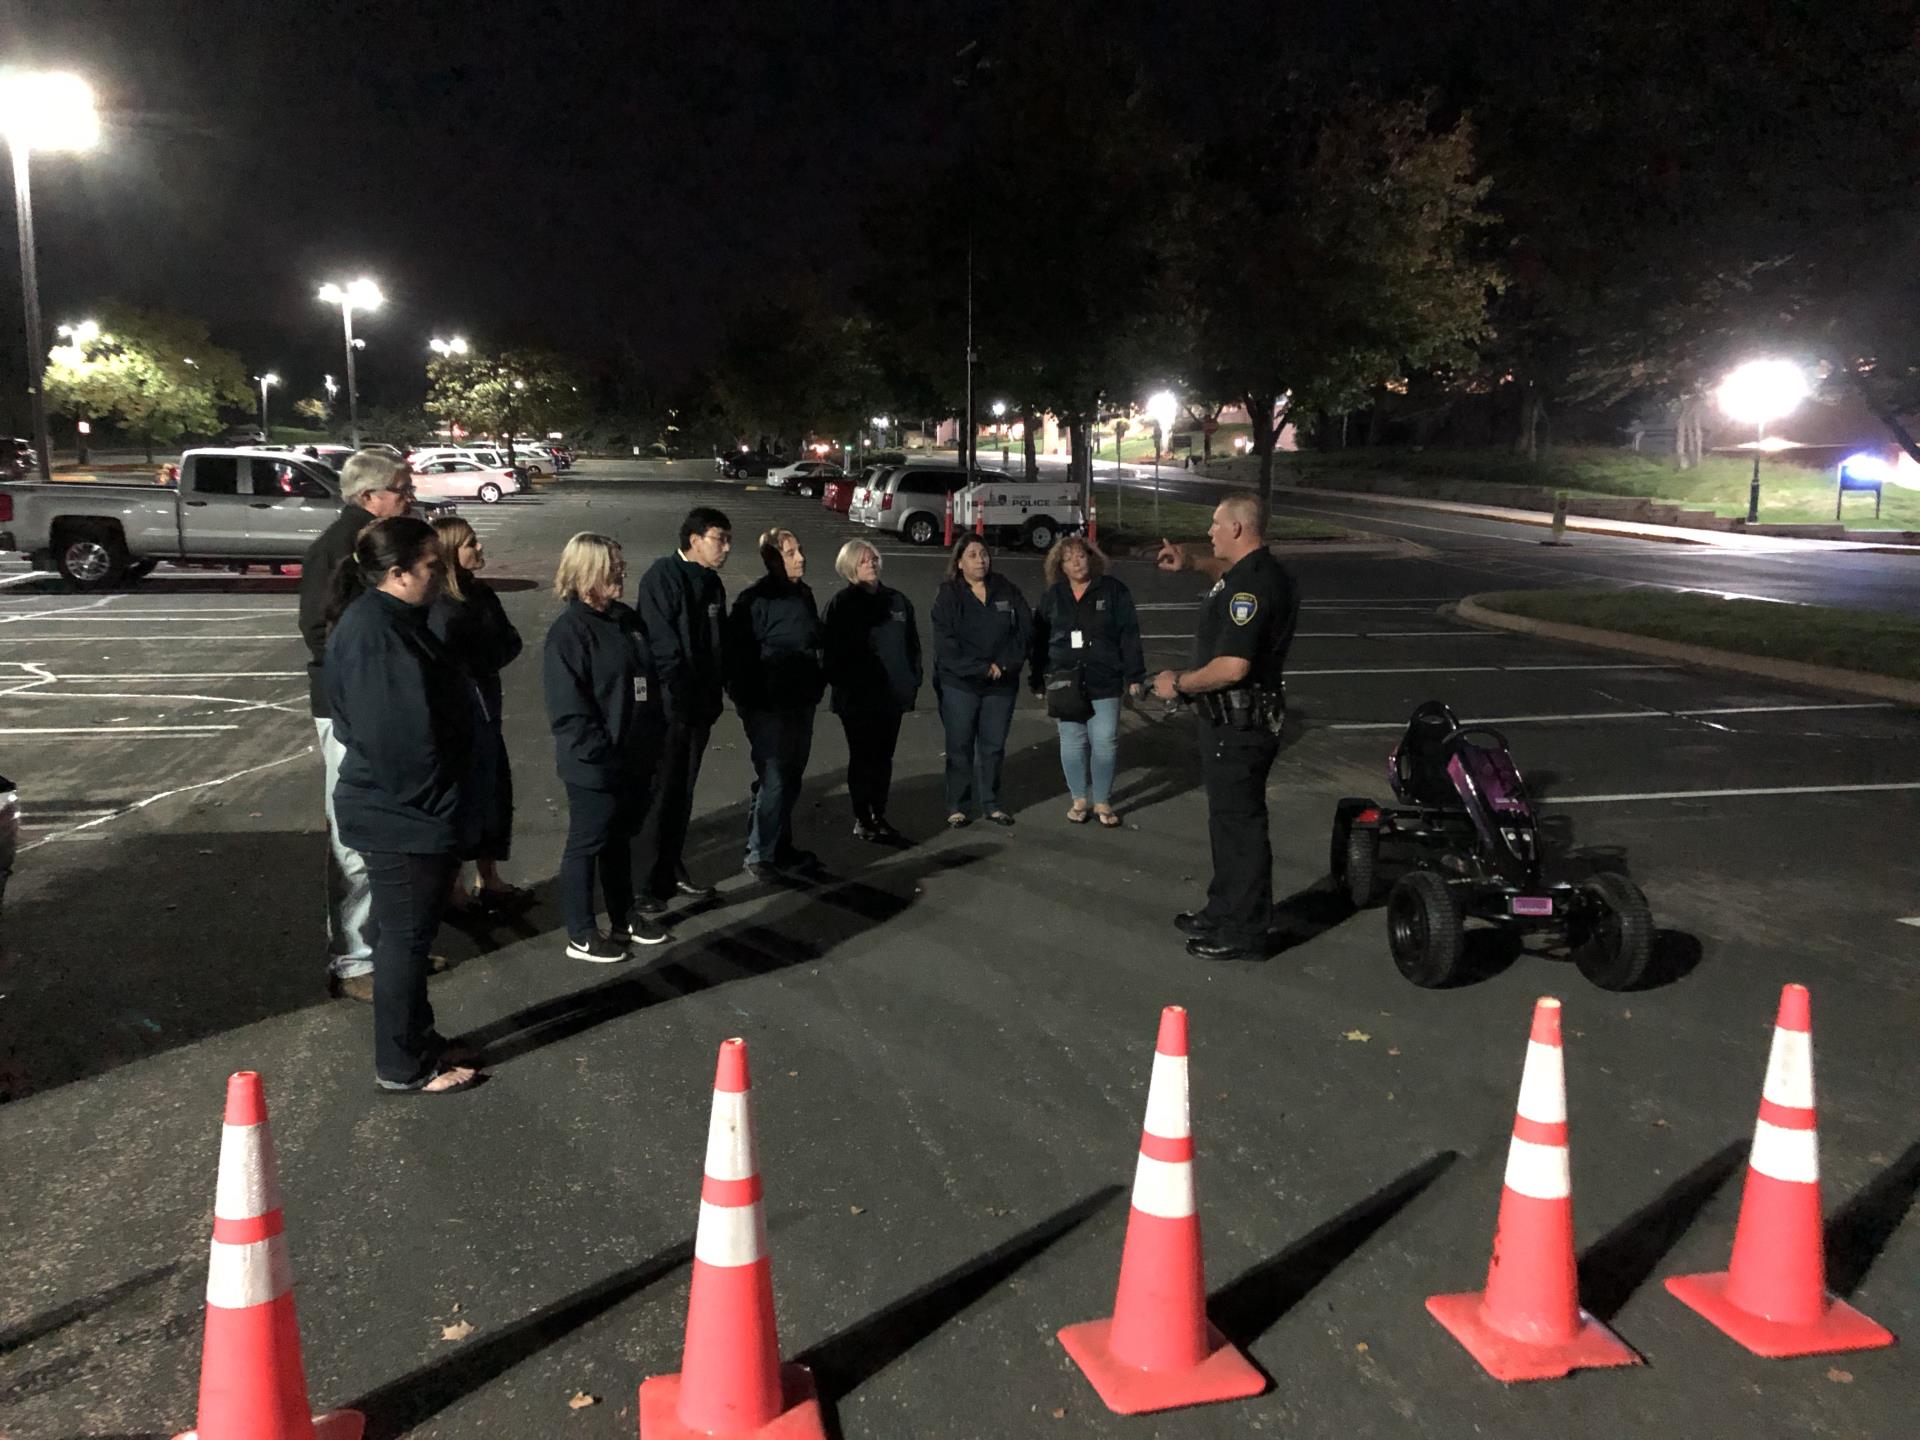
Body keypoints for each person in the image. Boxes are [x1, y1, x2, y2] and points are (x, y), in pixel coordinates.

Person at [324, 515, 482, 1093]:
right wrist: (439, 801)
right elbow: (398, 742)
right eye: (432, 567)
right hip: (404, 816)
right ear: (397, 573)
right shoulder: (375, 634)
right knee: (403, 945)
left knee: (406, 939)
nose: (442, 576)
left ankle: (418, 1040)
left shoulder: (393, 619)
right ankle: (402, 1065)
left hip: (411, 811)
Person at [1151, 496, 1300, 962]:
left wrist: (1178, 683)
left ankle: (1246, 929)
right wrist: (1192, 561)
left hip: (1240, 722)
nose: (1210, 532)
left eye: (1216, 525)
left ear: (1238, 528)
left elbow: (1233, 666)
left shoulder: (1251, 589)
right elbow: (1221, 573)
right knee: (1226, 822)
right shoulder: (1248, 574)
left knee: (1240, 827)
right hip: (1229, 722)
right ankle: (1224, 909)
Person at [298, 450, 416, 1002]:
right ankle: (353, 960)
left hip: (375, 709)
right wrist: (367, 688)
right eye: (399, 486)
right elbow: (320, 633)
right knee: (354, 838)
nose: (409, 493)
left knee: (387, 833)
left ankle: (384, 948)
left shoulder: (381, 541)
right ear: (368, 497)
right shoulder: (336, 550)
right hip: (347, 712)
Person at [544, 533, 673, 961]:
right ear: (586, 573)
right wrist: (603, 756)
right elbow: (569, 711)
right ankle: (581, 933)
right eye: (613, 566)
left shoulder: (625, 620)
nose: (622, 571)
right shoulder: (569, 632)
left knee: (619, 841)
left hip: (635, 759)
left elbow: (647, 683)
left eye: (620, 563)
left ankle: (623, 916)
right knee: (587, 844)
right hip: (596, 765)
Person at [635, 506, 732, 910]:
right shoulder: (662, 577)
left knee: (683, 794)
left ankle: (672, 870)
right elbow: (662, 644)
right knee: (659, 794)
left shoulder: (712, 583)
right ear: (693, 539)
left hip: (700, 708)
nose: (725, 548)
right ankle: (642, 884)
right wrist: (676, 695)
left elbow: (718, 643)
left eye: (728, 540)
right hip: (671, 707)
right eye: (718, 539)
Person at [428, 517, 523, 911]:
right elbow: (445, 657)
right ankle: (454, 888)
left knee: (493, 789)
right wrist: (480, 659)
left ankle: (489, 875)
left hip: (486, 701)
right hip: (459, 709)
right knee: (462, 795)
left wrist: (484, 659)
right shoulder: (440, 603)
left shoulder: (481, 594)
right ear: (452, 551)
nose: (479, 549)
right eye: (470, 544)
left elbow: (511, 641)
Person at [726, 528, 826, 880]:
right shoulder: (754, 601)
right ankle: (759, 854)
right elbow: (736, 659)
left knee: (791, 777)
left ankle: (778, 845)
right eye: (790, 553)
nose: (800, 558)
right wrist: (750, 701)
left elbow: (813, 640)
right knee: (775, 777)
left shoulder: (804, 594)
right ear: (772, 559)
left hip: (802, 700)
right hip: (768, 705)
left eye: (799, 550)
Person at [1029, 536, 1145, 828]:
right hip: (1065, 680)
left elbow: (1129, 634)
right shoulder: (1053, 596)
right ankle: (1079, 798)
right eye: (1068, 559)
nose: (1076, 563)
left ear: (1091, 558)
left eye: (1080, 556)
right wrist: (1037, 679)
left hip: (1104, 678)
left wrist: (1134, 675)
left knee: (1105, 741)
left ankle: (1103, 801)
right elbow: (1039, 640)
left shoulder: (1114, 591)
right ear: (1060, 566)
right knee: (1072, 742)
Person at [822, 539, 920, 843]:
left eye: (874, 558)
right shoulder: (842, 604)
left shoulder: (898, 601)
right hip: (858, 699)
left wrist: (911, 681)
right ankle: (862, 817)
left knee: (883, 758)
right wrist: (846, 684)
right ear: (850, 566)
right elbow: (829, 653)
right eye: (864, 561)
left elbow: (912, 646)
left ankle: (879, 813)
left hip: (891, 697)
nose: (872, 564)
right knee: (862, 757)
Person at [930, 534, 1031, 828]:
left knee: (993, 746)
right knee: (960, 745)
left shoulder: (1006, 589)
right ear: (959, 562)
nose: (980, 560)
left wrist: (1005, 664)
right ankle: (958, 805)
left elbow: (1025, 631)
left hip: (1001, 683)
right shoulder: (949, 594)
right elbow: (945, 644)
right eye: (972, 555)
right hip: (960, 684)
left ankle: (991, 803)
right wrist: (980, 668)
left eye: (983, 554)